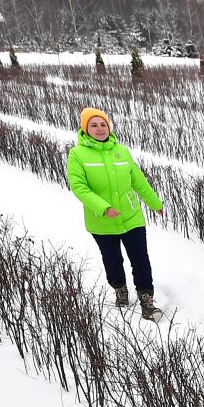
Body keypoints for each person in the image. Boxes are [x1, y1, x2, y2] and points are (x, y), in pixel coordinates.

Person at [65, 107, 165, 317]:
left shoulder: (122, 151)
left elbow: (138, 181)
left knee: (140, 259)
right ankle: (120, 289)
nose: (100, 129)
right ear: (85, 128)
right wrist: (103, 208)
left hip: (131, 216)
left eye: (103, 124)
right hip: (101, 221)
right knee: (112, 260)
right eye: (94, 125)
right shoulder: (77, 154)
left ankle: (146, 299)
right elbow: (79, 187)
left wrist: (155, 203)